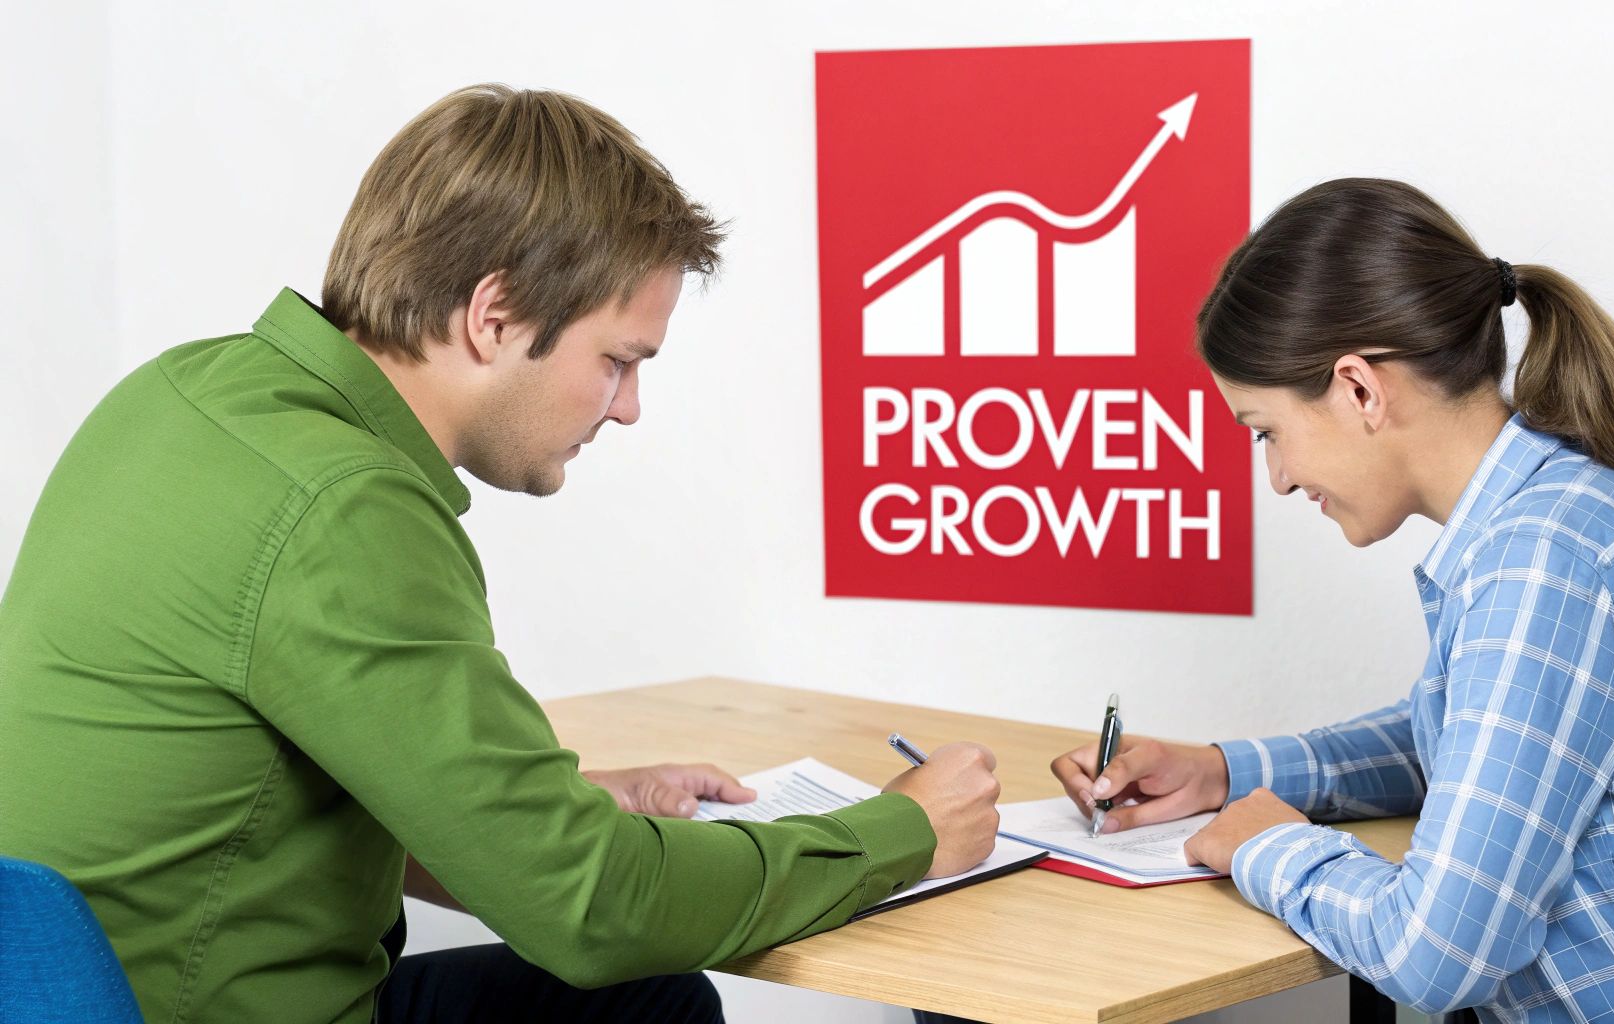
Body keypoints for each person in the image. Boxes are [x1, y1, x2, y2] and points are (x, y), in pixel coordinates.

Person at [0, 84, 1001, 1024]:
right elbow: (591, 909)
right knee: (641, 989)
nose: (628, 407)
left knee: (645, 1003)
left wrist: (563, 802)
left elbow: (259, 785)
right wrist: (901, 833)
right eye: (616, 360)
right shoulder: (346, 510)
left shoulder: (185, 396)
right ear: (495, 316)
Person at [1051, 178, 1614, 1021]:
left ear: (1359, 388)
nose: (1276, 477)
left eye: (1266, 431)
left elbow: (1434, 957)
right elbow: (1472, 741)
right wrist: (1223, 772)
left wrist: (1268, 846)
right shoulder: (1572, 502)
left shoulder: (1541, 561)